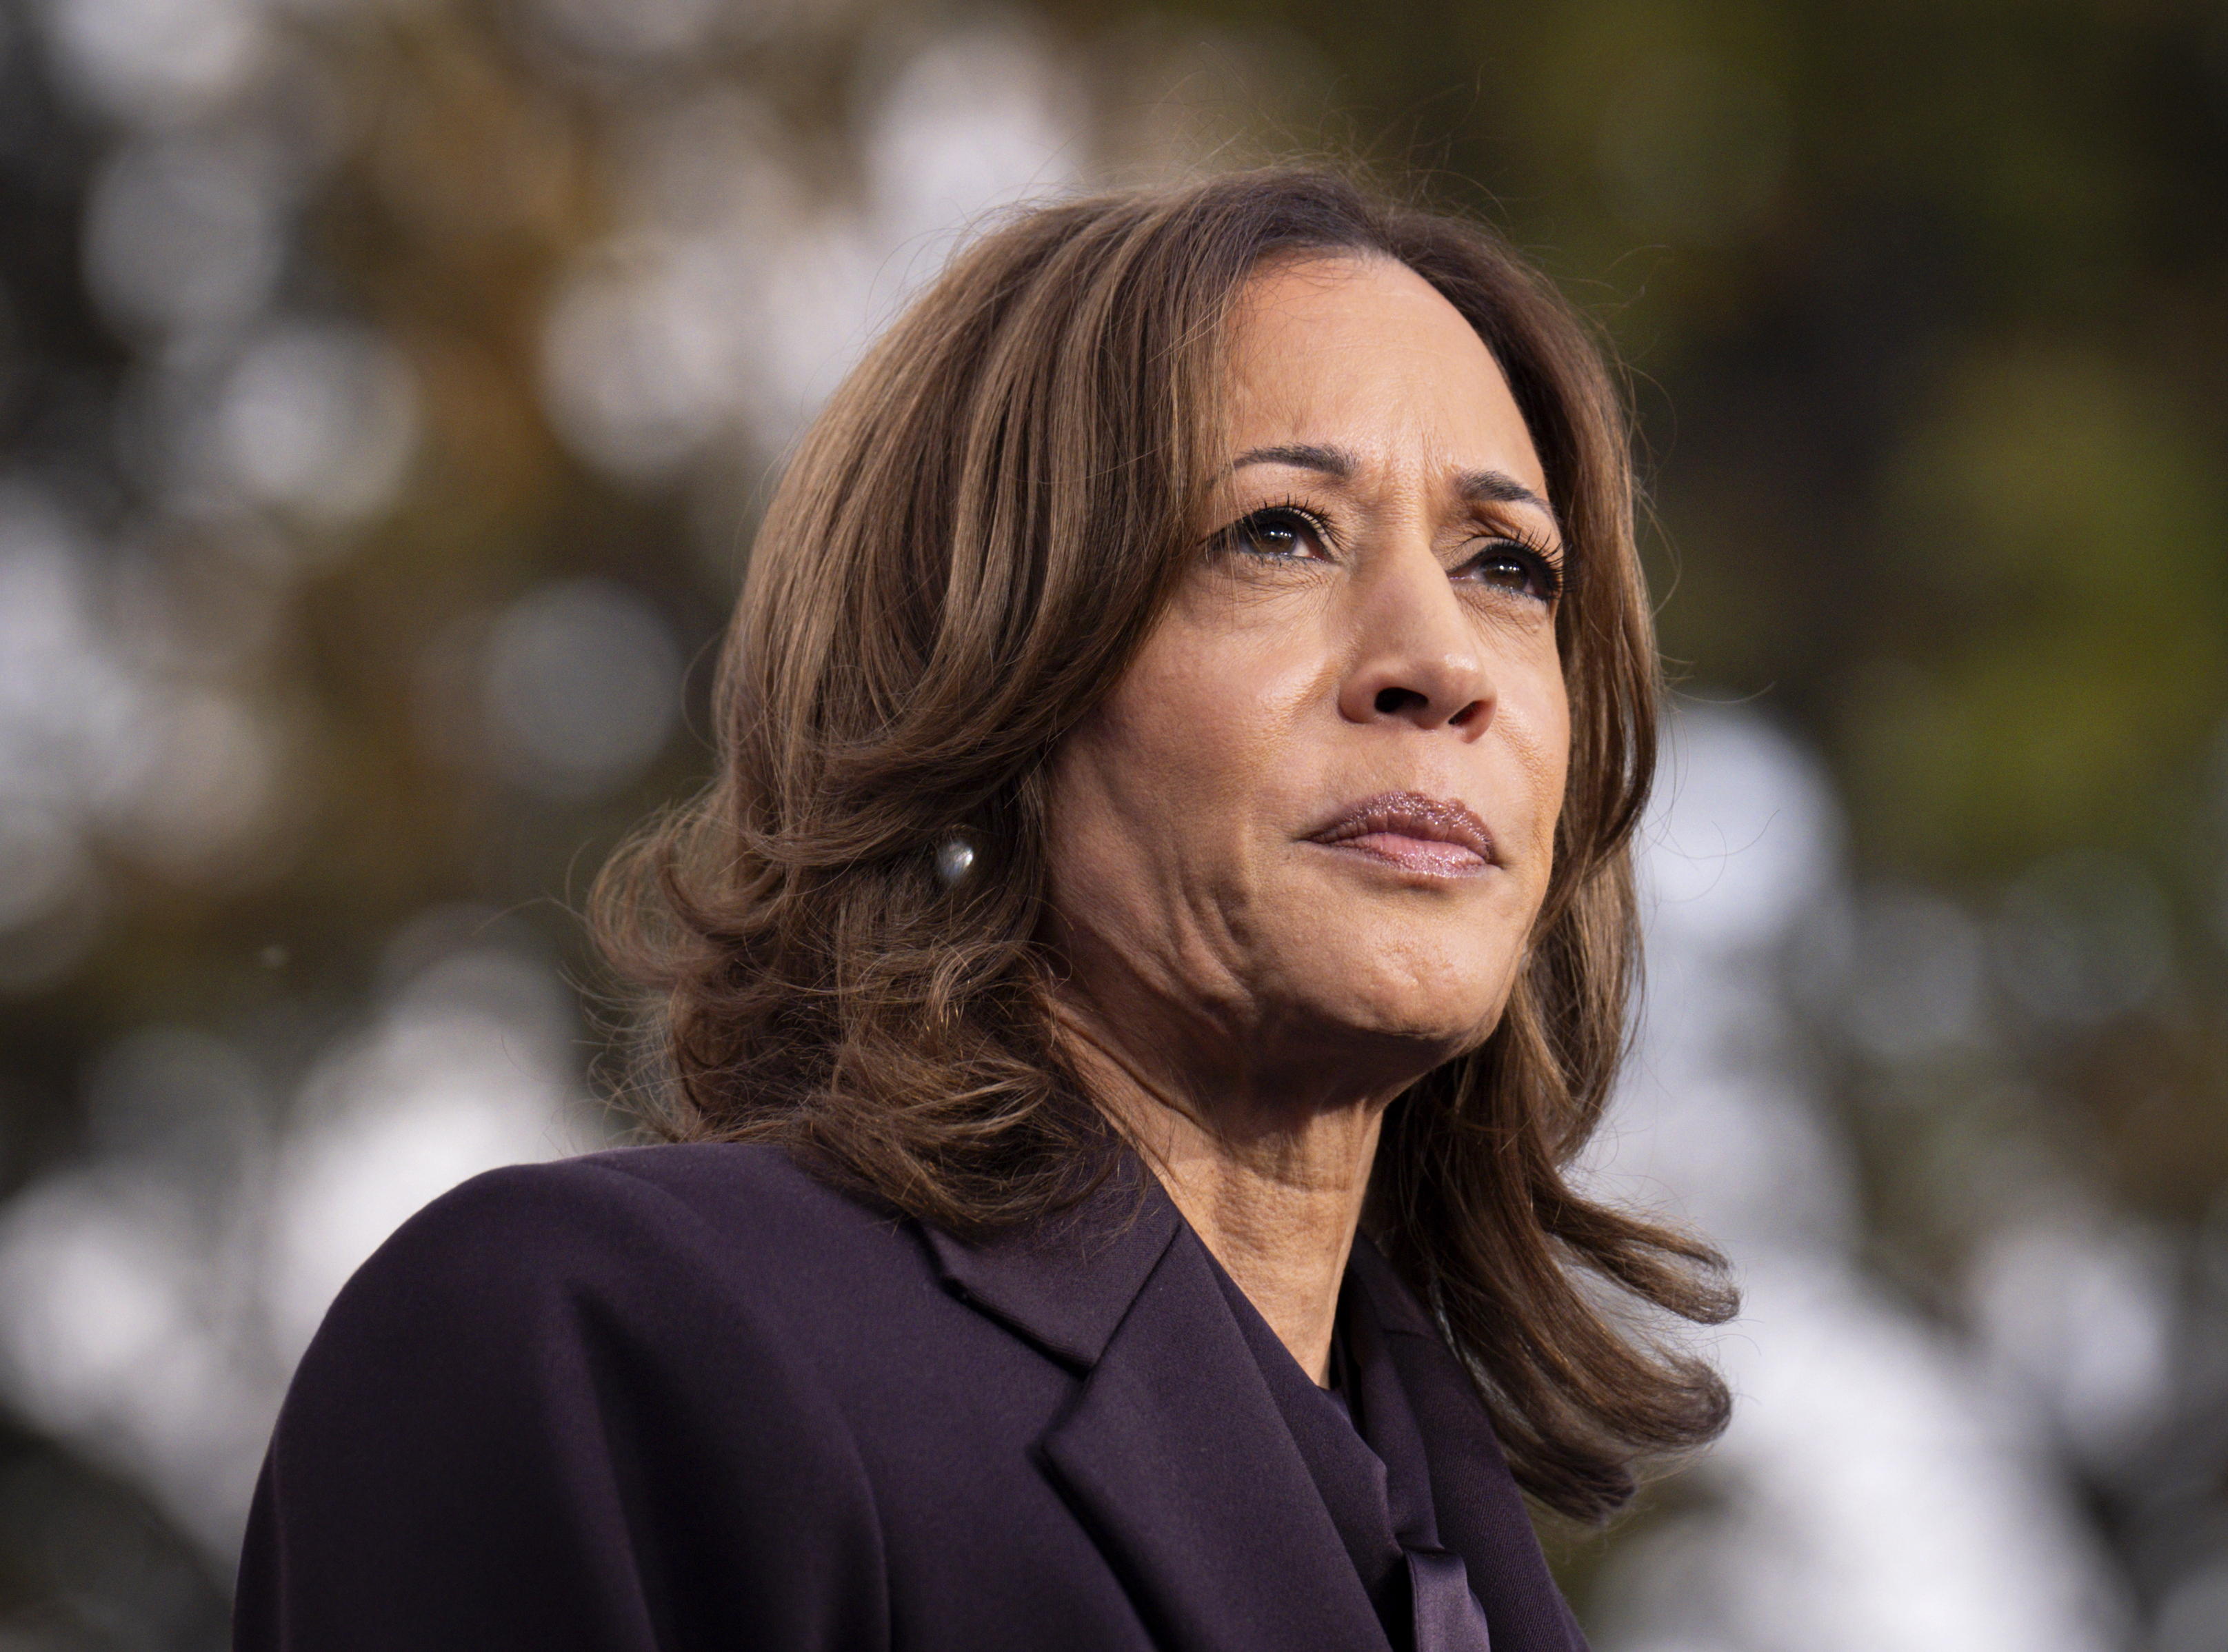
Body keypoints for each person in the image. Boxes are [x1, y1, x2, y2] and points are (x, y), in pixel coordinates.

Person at [233, 167, 1735, 1652]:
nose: (1441, 661)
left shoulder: (1456, 1550)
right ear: (981, 675)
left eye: (1507, 565)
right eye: (1277, 531)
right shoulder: (593, 1350)